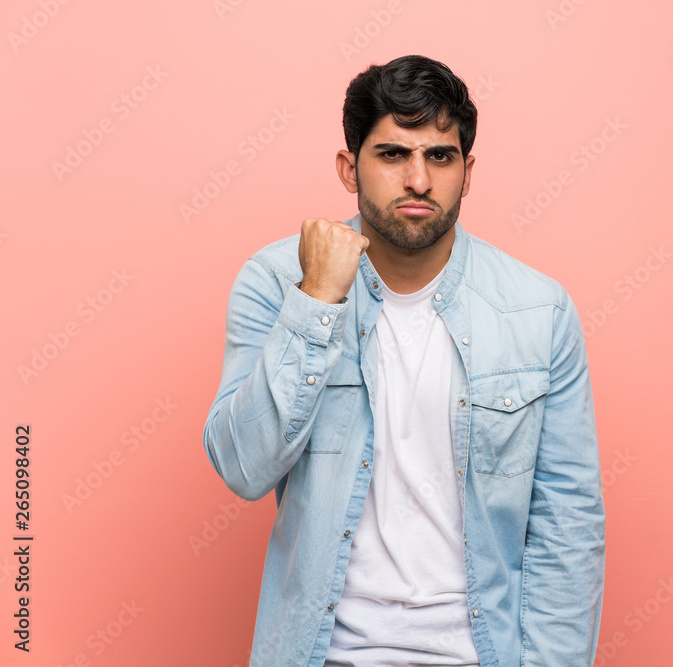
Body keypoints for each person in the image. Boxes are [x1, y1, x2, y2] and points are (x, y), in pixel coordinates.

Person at [202, 54, 605, 667]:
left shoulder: (537, 310)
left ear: (467, 171)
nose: (418, 180)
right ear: (349, 168)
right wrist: (317, 301)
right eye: (392, 154)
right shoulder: (276, 282)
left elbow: (567, 525)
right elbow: (242, 466)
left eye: (439, 156)